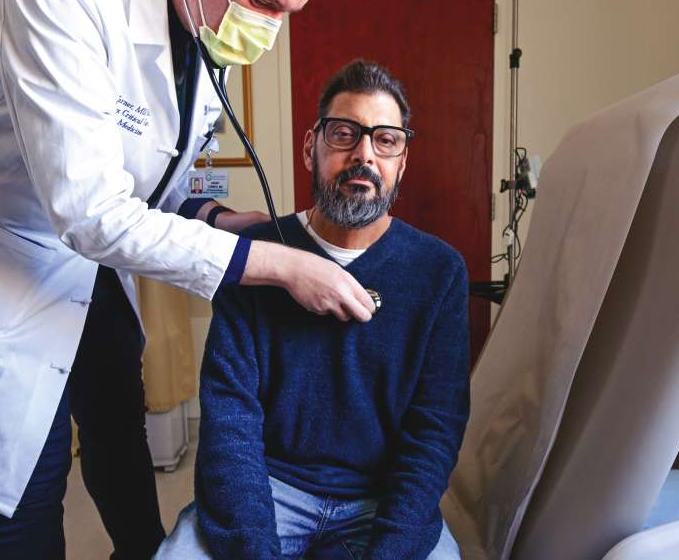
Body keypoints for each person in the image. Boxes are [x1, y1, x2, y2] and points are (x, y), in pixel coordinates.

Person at [0, 0, 365, 558]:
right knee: (23, 480)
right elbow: (90, 211)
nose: (267, 27)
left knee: (118, 416)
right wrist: (281, 266)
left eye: (285, 10)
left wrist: (218, 219)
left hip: (87, 248)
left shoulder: (195, 17)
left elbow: (145, 179)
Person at [155, 60, 470, 559]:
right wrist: (252, 549)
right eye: (344, 134)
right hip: (269, 488)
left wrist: (390, 550)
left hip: (377, 499)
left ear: (402, 161)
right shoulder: (256, 253)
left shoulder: (438, 271)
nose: (364, 154)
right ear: (311, 147)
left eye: (385, 140)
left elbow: (434, 430)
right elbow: (229, 421)